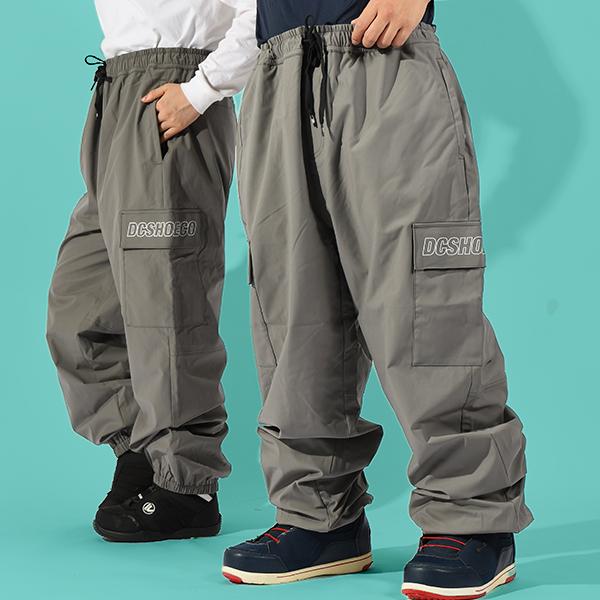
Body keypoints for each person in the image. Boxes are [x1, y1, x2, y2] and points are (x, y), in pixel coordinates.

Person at [222, 0, 533, 596]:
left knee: (422, 303)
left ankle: (472, 518)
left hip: (384, 62)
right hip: (277, 73)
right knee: (292, 305)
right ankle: (320, 517)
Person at [46, 0, 257, 543]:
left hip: (172, 92)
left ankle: (188, 486)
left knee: (168, 306)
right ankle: (142, 451)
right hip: (115, 97)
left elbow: (263, 11)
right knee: (80, 306)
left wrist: (201, 90)